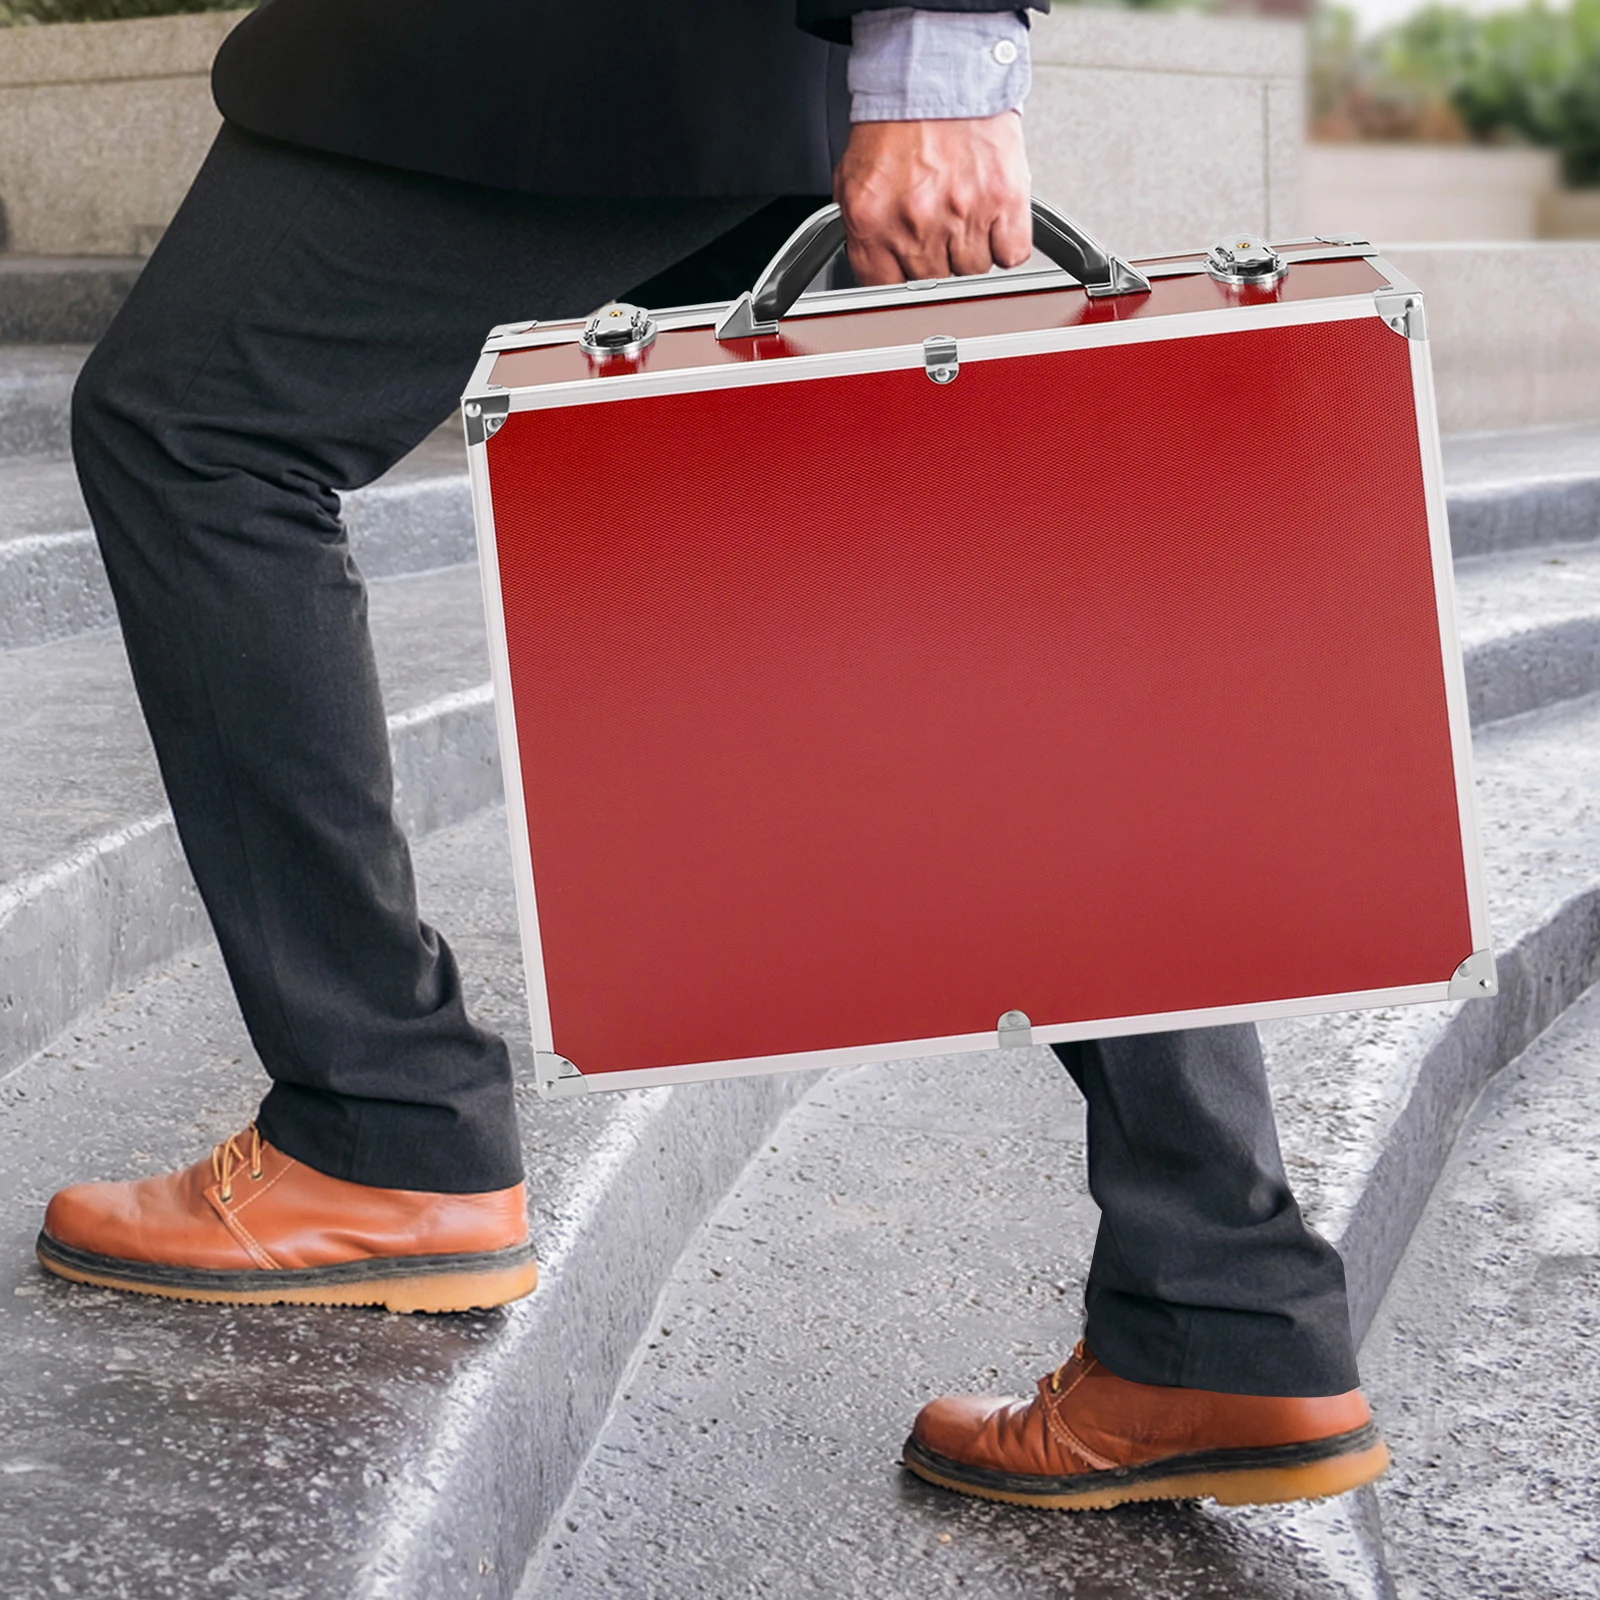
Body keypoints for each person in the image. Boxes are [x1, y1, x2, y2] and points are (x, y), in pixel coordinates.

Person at [34, 1, 1387, 1513]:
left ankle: (382, 1124)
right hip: (729, 63)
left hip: (602, 47)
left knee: (199, 426)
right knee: (936, 574)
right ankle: (1224, 1296)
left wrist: (942, 51)